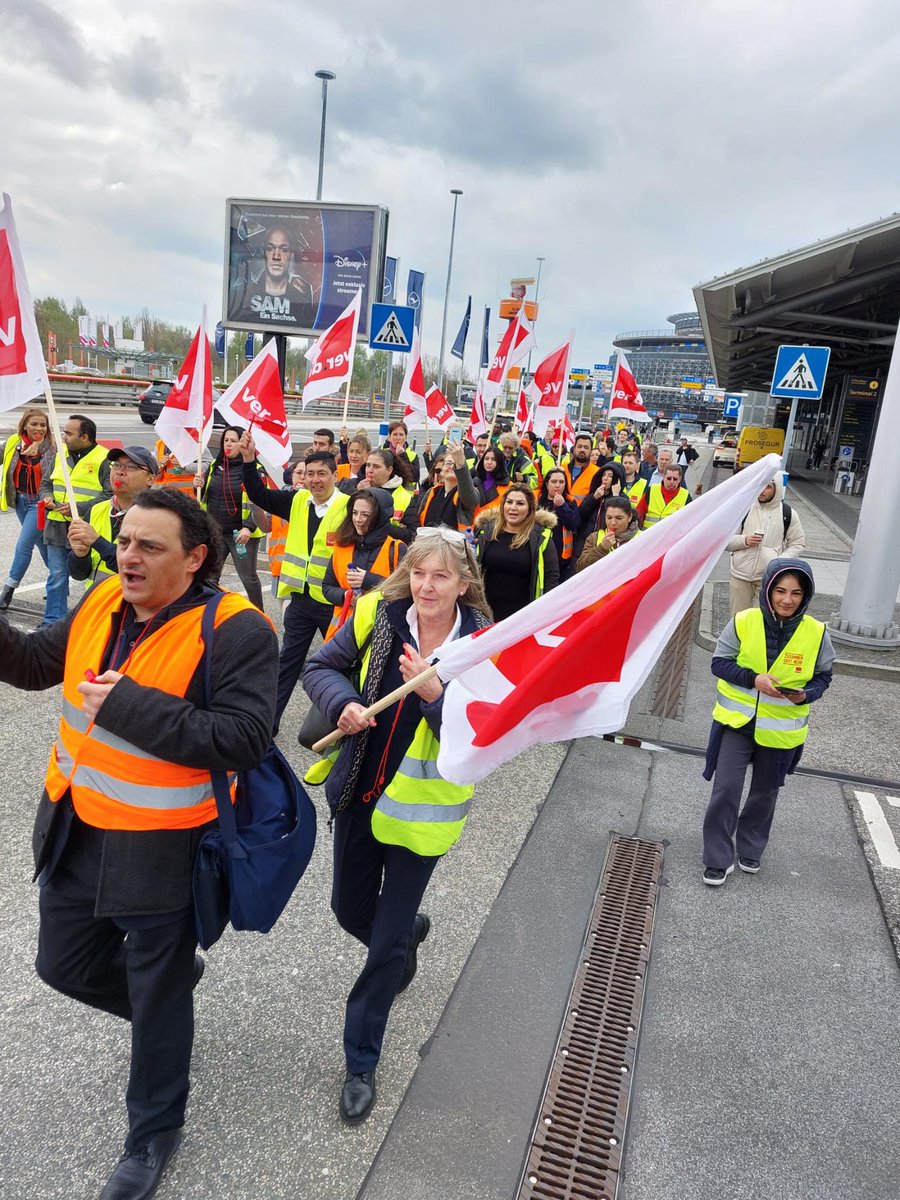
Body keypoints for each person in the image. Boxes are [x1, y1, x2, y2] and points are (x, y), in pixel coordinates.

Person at [0, 487, 278, 1197]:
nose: (128, 555)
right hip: (75, 823)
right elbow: (36, 665)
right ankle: (170, 1008)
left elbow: (244, 739)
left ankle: (152, 1132)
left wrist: (127, 704)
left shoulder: (237, 630)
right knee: (61, 966)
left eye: (148, 546)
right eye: (125, 541)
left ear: (195, 559)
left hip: (162, 845)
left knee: (156, 1002)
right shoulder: (100, 602)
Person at [303, 529, 493, 1124]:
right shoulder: (377, 616)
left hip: (421, 813)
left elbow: (486, 732)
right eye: (418, 573)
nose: (426, 586)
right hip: (361, 795)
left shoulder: (482, 644)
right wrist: (342, 704)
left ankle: (361, 1061)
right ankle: (407, 932)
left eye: (440, 576)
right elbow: (320, 665)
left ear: (464, 584)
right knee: (348, 910)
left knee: (381, 950)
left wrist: (438, 697)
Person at [701, 559, 834, 886]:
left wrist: (806, 695)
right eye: (780, 591)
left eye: (796, 593)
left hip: (780, 732)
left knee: (765, 793)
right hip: (738, 724)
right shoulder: (743, 621)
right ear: (767, 590)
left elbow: (823, 677)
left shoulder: (817, 633)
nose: (787, 599)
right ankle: (717, 856)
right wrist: (752, 679)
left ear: (806, 596)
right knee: (726, 789)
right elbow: (719, 663)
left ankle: (750, 846)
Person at [240, 437, 349, 729]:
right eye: (310, 473)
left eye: (321, 474)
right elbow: (259, 494)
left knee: (338, 665)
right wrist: (250, 461)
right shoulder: (297, 500)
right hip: (301, 600)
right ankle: (266, 724)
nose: (315, 480)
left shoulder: (349, 508)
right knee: (286, 662)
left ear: (335, 476)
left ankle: (332, 729)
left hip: (334, 603)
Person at [40, 414, 112, 626]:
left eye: (69, 433)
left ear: (85, 437)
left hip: (84, 526)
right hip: (55, 524)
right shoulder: (60, 454)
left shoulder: (104, 458)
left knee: (83, 574)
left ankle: (86, 621)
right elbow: (46, 483)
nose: (63, 437)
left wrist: (77, 509)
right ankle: (53, 622)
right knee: (57, 575)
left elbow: (109, 494)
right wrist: (47, 497)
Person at [195, 426, 266, 611]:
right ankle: (207, 613)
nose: (228, 444)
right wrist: (199, 486)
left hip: (241, 536)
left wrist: (248, 528)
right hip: (216, 533)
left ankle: (259, 614)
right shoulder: (213, 467)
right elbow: (205, 499)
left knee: (248, 579)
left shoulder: (255, 469)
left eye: (233, 441)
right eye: (226, 440)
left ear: (242, 444)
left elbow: (261, 502)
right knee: (210, 578)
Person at [321, 488, 407, 639]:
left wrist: (368, 580)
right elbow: (327, 587)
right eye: (354, 513)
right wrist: (346, 596)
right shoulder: (342, 545)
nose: (358, 519)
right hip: (342, 634)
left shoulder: (396, 548)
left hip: (379, 635)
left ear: (380, 517)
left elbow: (406, 591)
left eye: (365, 515)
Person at [68, 446, 158, 588]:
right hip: (98, 602)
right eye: (116, 465)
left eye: (131, 467)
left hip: (133, 605)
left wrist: (97, 542)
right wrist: (80, 555)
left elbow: (139, 570)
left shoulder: (156, 518)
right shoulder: (96, 510)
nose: (120, 472)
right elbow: (79, 575)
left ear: (150, 479)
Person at [473, 484, 559, 620]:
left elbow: (551, 578)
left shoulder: (541, 537)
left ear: (530, 509)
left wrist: (545, 613)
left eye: (520, 503)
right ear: (503, 505)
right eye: (509, 502)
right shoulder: (485, 532)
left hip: (522, 618)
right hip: (485, 615)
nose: (513, 508)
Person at [0, 407, 56, 610]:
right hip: (20, 502)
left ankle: (7, 591)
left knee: (24, 545)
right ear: (24, 425)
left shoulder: (52, 447)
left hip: (41, 504)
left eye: (42, 424)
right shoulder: (14, 444)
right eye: (34, 424)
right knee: (41, 543)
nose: (39, 428)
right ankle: (59, 582)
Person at [725, 474, 806, 615]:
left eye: (768, 487)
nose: (762, 491)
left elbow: (797, 544)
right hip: (740, 574)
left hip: (768, 578)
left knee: (761, 621)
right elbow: (725, 541)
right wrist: (745, 540)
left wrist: (778, 561)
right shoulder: (744, 509)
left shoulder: (788, 514)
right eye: (761, 486)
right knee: (736, 619)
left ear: (777, 489)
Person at [228, 224, 316, 329]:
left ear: (291, 255)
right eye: (270, 248)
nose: (276, 256)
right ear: (264, 253)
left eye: (283, 249)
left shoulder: (301, 303)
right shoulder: (245, 298)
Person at [402, 441, 482, 537]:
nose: (452, 467)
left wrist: (460, 462)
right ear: (442, 470)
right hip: (427, 545)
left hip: (453, 548)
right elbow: (419, 520)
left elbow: (468, 496)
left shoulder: (468, 494)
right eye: (448, 463)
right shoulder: (432, 492)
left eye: (455, 464)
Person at [575, 496, 640, 570]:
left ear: (630, 517)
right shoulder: (595, 537)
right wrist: (601, 549)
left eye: (619, 518)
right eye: (609, 518)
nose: (612, 523)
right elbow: (580, 567)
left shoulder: (642, 537)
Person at [538, 467, 580, 581]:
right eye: (553, 481)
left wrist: (562, 506)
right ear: (547, 484)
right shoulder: (537, 501)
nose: (557, 485)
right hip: (539, 553)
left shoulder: (570, 501)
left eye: (561, 482)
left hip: (561, 558)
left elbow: (574, 524)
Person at [357, 448, 416, 525]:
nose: (370, 470)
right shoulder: (357, 487)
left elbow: (412, 532)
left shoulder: (404, 497)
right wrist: (358, 494)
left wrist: (389, 527)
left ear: (389, 470)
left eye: (376, 467)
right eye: (368, 465)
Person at [472, 445, 511, 512]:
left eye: (493, 459)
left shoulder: (509, 486)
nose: (489, 462)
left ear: (500, 462)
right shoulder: (474, 482)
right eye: (486, 459)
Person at [383, 420, 422, 488]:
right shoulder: (382, 452)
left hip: (405, 494)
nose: (398, 438)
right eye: (395, 434)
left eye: (401, 434)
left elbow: (415, 477)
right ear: (389, 437)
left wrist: (403, 455)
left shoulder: (412, 454)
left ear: (405, 437)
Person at [563, 434, 599, 504]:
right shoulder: (562, 468)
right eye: (579, 446)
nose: (582, 450)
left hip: (583, 513)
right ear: (574, 449)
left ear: (591, 450)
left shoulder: (597, 472)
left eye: (586, 447)